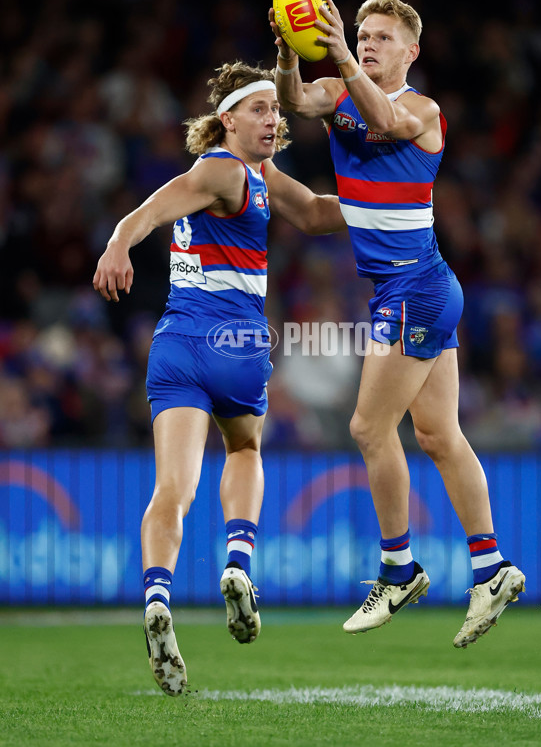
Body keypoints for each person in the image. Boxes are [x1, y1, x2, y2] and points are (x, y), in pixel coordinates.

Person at [270, 0, 525, 647]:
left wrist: (346, 59)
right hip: (409, 288)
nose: (370, 43)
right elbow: (296, 101)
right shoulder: (337, 88)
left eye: (384, 37)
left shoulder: (422, 109)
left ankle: (398, 566)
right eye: (363, 34)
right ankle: (491, 568)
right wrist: (287, 52)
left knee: (367, 425)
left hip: (418, 288)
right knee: (438, 434)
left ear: (411, 52)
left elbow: (383, 116)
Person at [93, 60, 344, 695]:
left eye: (276, 110)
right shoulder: (222, 168)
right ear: (226, 119)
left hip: (179, 344)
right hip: (236, 342)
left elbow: (315, 212)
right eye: (260, 109)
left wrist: (389, 207)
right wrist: (119, 242)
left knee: (171, 491)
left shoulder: (257, 174)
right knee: (246, 447)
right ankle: (238, 562)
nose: (274, 118)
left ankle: (156, 597)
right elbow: (150, 209)